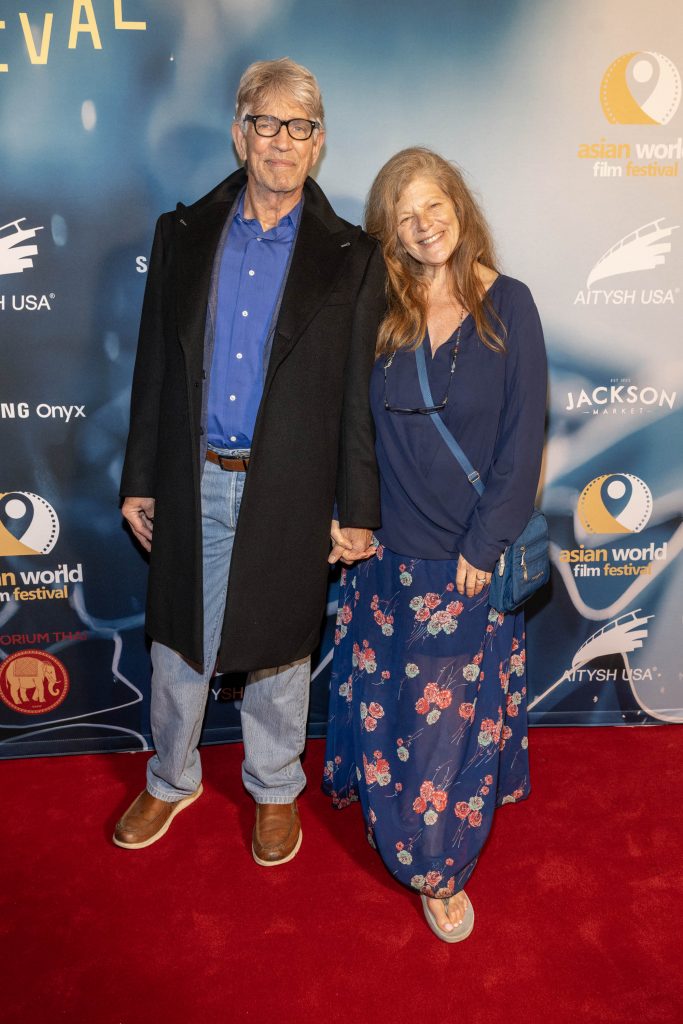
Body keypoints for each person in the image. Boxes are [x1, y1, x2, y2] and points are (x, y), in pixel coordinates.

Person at [115, 58, 384, 864]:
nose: (281, 142)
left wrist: (356, 505)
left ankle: (273, 787)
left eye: (298, 127)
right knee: (177, 644)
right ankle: (171, 775)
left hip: (292, 484)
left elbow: (355, 396)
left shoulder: (353, 255)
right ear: (241, 134)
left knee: (282, 646)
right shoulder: (182, 234)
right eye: (265, 124)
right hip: (192, 473)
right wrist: (139, 477)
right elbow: (154, 367)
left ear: (319, 143)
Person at [323, 147, 547, 941]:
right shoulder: (376, 313)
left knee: (445, 728)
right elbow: (348, 426)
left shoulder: (509, 305)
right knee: (391, 715)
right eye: (404, 215)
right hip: (386, 556)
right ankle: (381, 807)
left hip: (465, 560)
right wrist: (346, 515)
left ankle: (438, 867)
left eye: (433, 205)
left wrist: (482, 548)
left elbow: (524, 445)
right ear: (390, 232)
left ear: (458, 202)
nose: (423, 225)